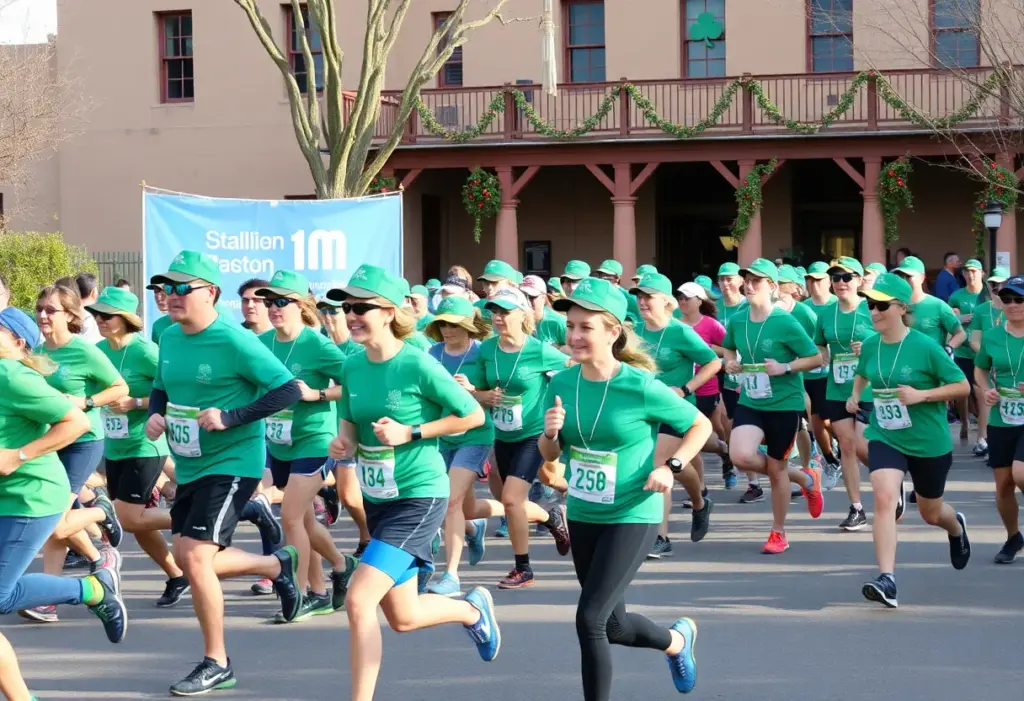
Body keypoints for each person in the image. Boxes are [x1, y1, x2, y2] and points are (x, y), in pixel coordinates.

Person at [324, 264, 499, 701]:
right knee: (402, 616)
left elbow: (472, 415)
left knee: (359, 600)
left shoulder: (418, 363)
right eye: (347, 308)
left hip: (420, 497)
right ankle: (470, 610)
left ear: (388, 312)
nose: (351, 315)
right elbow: (348, 421)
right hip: (378, 497)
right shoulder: (352, 366)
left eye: (361, 307)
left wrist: (412, 432)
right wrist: (343, 444)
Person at [538, 277, 708, 700]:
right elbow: (549, 452)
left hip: (633, 512)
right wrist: (549, 434)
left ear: (613, 332)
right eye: (570, 326)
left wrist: (671, 466)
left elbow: (698, 424)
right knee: (613, 626)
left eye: (585, 327)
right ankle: (676, 641)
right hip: (583, 512)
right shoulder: (561, 383)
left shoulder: (640, 385)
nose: (574, 336)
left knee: (589, 619)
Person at [143, 250, 302, 695]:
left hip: (233, 461)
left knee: (193, 558)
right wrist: (156, 415)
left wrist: (231, 417)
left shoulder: (235, 340)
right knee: (193, 558)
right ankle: (276, 564)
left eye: (181, 288)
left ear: (210, 293)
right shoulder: (170, 337)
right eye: (165, 288)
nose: (170, 297)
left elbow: (287, 389)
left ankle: (217, 662)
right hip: (190, 462)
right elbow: (161, 388)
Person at [0, 308, 128, 691]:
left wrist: (18, 455)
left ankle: (92, 589)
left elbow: (77, 422)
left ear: (16, 343)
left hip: (30, 497)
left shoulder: (12, 376)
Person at [849, 273, 971, 608]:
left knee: (931, 512)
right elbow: (863, 372)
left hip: (928, 442)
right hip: (886, 434)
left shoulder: (925, 346)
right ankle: (887, 578)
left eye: (881, 305)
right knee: (884, 498)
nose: (873, 312)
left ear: (902, 308)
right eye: (870, 304)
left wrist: (923, 395)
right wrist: (854, 394)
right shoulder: (871, 344)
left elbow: (962, 386)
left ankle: (956, 527)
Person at [255, 270, 357, 622]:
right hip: (278, 441)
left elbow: (356, 383)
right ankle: (332, 576)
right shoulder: (263, 343)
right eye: (269, 302)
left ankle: (296, 593)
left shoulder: (317, 344)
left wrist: (318, 394)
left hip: (315, 440)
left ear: (302, 305)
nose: (274, 308)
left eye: (282, 302)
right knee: (304, 522)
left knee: (290, 516)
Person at [25, 285, 126, 624]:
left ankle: (100, 516)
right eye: (40, 308)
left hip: (84, 440)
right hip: (53, 441)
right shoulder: (37, 351)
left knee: (55, 518)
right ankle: (55, 594)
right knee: (55, 522)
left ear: (70, 315)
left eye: (50, 309)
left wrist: (85, 402)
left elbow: (120, 387)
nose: (42, 315)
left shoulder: (84, 352)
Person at [88, 286, 188, 607]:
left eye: (107, 316)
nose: (100, 320)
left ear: (126, 319)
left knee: (128, 517)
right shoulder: (98, 350)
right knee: (136, 522)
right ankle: (176, 574)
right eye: (96, 315)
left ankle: (196, 515)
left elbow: (176, 392)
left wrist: (136, 402)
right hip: (114, 446)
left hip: (146, 444)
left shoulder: (146, 351)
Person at [722, 259, 824, 554]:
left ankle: (778, 533)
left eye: (757, 281)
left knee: (777, 468)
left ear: (772, 287)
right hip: (751, 400)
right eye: (747, 280)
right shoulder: (738, 320)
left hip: (783, 403)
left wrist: (786, 366)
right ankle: (805, 477)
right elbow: (729, 345)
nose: (750, 285)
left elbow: (816, 358)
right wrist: (730, 361)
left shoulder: (785, 321)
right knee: (740, 455)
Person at [472, 286, 572, 588]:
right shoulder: (487, 350)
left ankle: (523, 568)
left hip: (533, 434)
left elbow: (572, 370)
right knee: (508, 499)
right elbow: (476, 392)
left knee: (512, 500)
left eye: (505, 312)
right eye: (494, 312)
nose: (498, 318)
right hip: (502, 435)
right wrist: (484, 396)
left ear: (522, 315)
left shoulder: (539, 350)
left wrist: (559, 412)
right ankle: (553, 518)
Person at [632, 273, 720, 553]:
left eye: (649, 297)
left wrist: (684, 388)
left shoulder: (680, 331)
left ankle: (661, 537)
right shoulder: (634, 331)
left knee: (659, 464)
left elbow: (713, 363)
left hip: (673, 411)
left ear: (667, 302)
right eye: (639, 296)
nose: (642, 302)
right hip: (642, 412)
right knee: (678, 467)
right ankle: (701, 502)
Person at [424, 296, 496, 595]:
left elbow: (495, 396)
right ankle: (472, 527)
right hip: (440, 435)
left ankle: (451, 574)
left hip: (475, 435)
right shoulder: (430, 354)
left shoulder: (483, 353)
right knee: (461, 507)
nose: (446, 330)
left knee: (450, 501)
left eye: (453, 324)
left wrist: (473, 392)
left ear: (468, 325)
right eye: (441, 324)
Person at [814, 258, 875, 531]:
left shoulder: (871, 309)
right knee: (847, 447)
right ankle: (857, 508)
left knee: (862, 446)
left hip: (870, 388)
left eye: (846, 277)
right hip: (837, 387)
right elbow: (819, 344)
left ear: (859, 281)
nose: (840, 282)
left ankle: (892, 479)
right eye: (835, 277)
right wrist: (823, 356)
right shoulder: (826, 313)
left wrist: (870, 346)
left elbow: (892, 339)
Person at [973, 274, 1024, 564]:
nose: (1013, 305)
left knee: (1021, 473)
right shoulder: (993, 335)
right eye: (1007, 300)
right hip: (1003, 417)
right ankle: (1014, 537)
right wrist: (986, 389)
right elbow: (980, 369)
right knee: (1004, 484)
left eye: (1019, 299)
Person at [316, 296, 371, 553]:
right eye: (322, 311)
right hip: (333, 431)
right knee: (348, 495)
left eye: (333, 311)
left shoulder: (358, 349)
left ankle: (373, 538)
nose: (327, 316)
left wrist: (320, 394)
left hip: (362, 430)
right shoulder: (319, 343)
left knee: (361, 493)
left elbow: (354, 386)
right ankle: (367, 536)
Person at [675, 282, 732, 489]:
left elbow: (729, 350)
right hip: (680, 391)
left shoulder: (710, 324)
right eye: (679, 298)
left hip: (706, 389)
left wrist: (705, 349)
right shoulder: (675, 324)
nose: (682, 302)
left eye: (686, 298)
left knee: (708, 433)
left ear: (699, 301)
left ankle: (723, 450)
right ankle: (700, 489)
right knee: (690, 441)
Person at [968, 266, 1011, 458]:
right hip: (986, 362)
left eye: (1001, 283)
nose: (997, 287)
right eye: (993, 283)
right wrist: (988, 356)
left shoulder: (1015, 307)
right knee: (984, 396)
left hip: (1010, 365)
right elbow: (974, 340)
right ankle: (983, 439)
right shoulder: (981, 310)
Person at [949, 259, 986, 455]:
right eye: (967, 271)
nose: (970, 275)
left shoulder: (987, 295)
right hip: (963, 351)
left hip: (982, 352)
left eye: (974, 271)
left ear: (982, 273)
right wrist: (959, 319)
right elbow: (948, 319)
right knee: (963, 390)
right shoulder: (957, 296)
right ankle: (964, 422)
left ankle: (982, 433)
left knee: (981, 392)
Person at [522, 274, 567, 347]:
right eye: (523, 296)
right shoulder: (514, 320)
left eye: (531, 297)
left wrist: (557, 350)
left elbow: (575, 351)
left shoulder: (559, 322)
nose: (527, 301)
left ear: (543, 297)